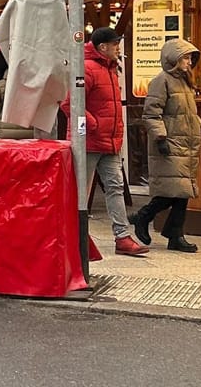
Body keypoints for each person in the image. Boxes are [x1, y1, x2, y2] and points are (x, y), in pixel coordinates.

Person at [66, 27, 149, 257]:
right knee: (79, 191)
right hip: (90, 143)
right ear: (103, 47)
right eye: (115, 44)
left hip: (110, 142)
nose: (118, 48)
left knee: (115, 188)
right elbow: (70, 103)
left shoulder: (111, 69)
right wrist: (94, 125)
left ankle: (122, 237)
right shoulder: (87, 69)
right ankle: (73, 235)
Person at [131, 38, 201, 253]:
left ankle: (174, 234)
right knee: (175, 191)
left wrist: (197, 124)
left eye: (191, 57)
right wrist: (160, 138)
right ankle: (144, 216)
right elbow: (151, 113)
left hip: (185, 142)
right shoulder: (161, 81)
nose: (189, 61)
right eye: (186, 57)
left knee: (182, 190)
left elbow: (186, 111)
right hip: (170, 142)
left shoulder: (185, 81)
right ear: (174, 58)